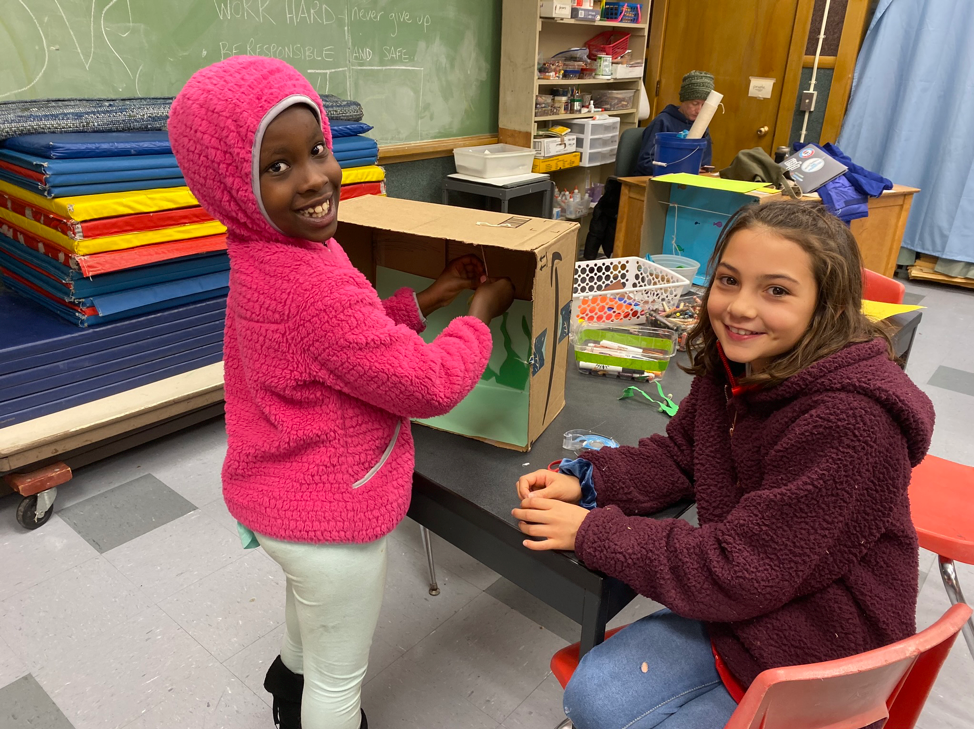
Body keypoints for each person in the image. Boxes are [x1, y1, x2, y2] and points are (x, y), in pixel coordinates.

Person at [168, 56, 514, 729]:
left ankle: (286, 682)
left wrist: (427, 299)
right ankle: (312, 701)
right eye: (278, 167)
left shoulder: (267, 248)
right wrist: (480, 316)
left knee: (311, 612)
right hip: (329, 515)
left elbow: (336, 343)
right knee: (341, 672)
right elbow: (429, 382)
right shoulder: (313, 280)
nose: (314, 178)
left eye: (318, 150)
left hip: (278, 501)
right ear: (232, 183)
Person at [513, 201, 934, 728]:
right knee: (592, 698)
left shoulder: (852, 421)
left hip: (820, 647)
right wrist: (590, 481)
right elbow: (684, 455)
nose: (739, 307)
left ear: (826, 306)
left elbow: (741, 571)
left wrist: (593, 533)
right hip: (746, 614)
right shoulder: (740, 365)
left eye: (776, 290)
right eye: (729, 280)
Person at [634, 70, 715, 176]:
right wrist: (679, 170)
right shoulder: (662, 122)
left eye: (704, 105)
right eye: (695, 104)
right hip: (655, 181)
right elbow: (645, 163)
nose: (699, 110)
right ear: (683, 100)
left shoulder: (701, 126)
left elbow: (704, 163)